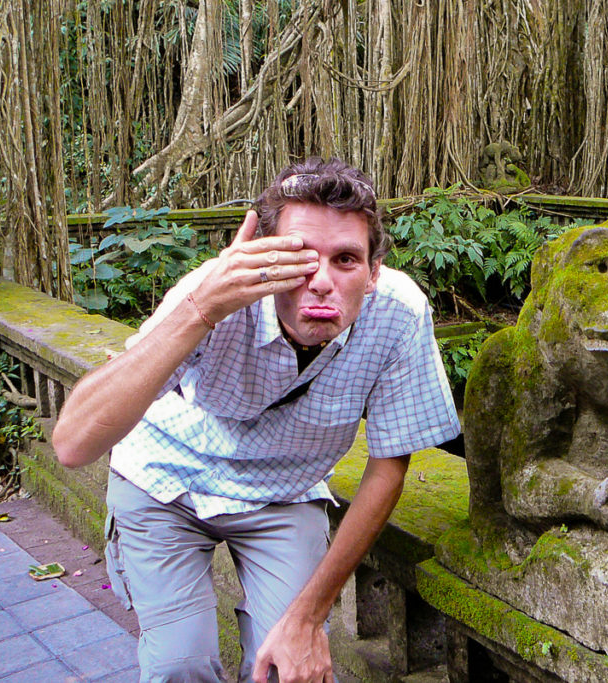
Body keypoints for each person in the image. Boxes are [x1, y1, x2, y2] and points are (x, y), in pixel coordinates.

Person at [51, 157, 461, 683]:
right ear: (263, 257)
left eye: (345, 260)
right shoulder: (215, 290)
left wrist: (310, 617)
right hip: (163, 479)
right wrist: (203, 307)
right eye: (300, 258)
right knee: (182, 667)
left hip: (282, 492)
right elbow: (71, 445)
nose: (320, 282)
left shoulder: (400, 313)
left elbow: (387, 467)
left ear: (374, 272)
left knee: (289, 670)